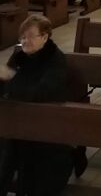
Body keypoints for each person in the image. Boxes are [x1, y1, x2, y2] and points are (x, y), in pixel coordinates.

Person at [0, 15, 75, 195]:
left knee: (9, 147)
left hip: (46, 125)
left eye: (30, 36)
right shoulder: (20, 55)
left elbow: (41, 93)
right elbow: (7, 89)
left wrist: (11, 78)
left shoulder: (56, 60)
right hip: (20, 121)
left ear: (45, 36)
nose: (25, 41)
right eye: (22, 37)